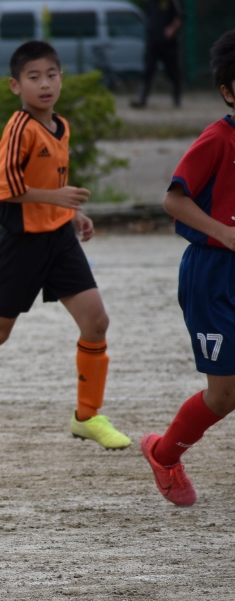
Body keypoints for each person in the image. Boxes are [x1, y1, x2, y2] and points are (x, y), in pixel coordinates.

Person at [0, 40, 131, 457]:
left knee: (96, 322)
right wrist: (58, 199)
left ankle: (87, 416)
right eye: (33, 77)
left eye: (51, 75)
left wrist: (72, 214)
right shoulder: (19, 127)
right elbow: (1, 191)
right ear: (15, 86)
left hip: (59, 240)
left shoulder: (61, 126)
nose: (45, 84)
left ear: (61, 79)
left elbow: (51, 181)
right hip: (21, 245)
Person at [140, 30, 235, 506]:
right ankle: (164, 454)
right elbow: (173, 201)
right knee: (225, 394)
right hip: (213, 277)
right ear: (228, 92)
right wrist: (224, 233)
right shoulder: (217, 139)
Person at [132, 0, 184, 109]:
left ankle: (177, 96)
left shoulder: (173, 2)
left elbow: (179, 17)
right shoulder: (149, 2)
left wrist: (172, 29)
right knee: (148, 69)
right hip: (152, 41)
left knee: (172, 70)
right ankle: (142, 98)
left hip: (168, 43)